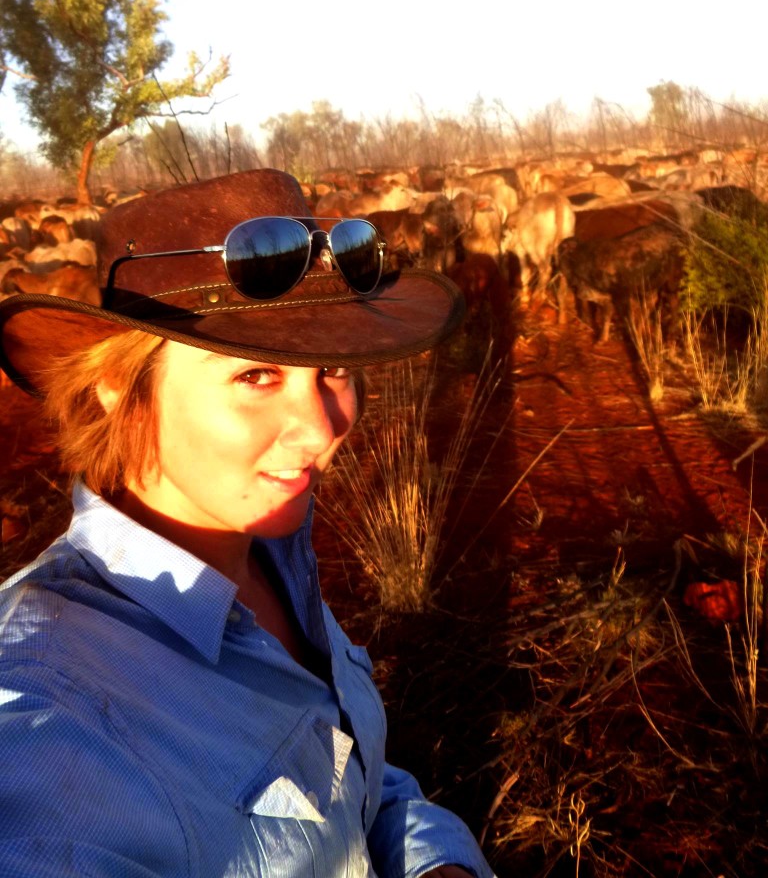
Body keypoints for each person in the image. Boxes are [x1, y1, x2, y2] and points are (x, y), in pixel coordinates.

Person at [0, 169, 495, 878]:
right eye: (256, 376)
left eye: (333, 368)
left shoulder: (263, 553)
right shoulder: (47, 707)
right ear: (117, 386)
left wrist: (432, 860)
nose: (325, 427)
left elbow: (343, 785)